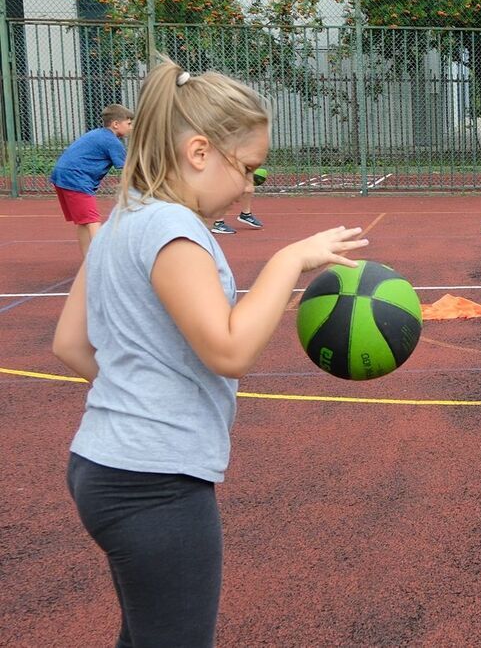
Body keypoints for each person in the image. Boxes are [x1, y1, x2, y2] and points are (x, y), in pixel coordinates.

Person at [51, 60, 367, 647]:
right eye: (247, 168)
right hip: (155, 481)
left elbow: (69, 343)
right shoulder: (175, 227)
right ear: (200, 152)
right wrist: (288, 261)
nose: (250, 185)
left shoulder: (126, 216)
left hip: (102, 465)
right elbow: (229, 350)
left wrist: (147, 391)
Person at [50, 104, 134, 256]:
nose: (131, 127)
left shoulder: (99, 134)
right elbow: (127, 170)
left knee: (84, 222)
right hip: (75, 178)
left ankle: (88, 259)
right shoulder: (112, 142)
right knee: (93, 221)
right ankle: (101, 261)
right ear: (116, 124)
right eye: (128, 123)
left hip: (61, 175)